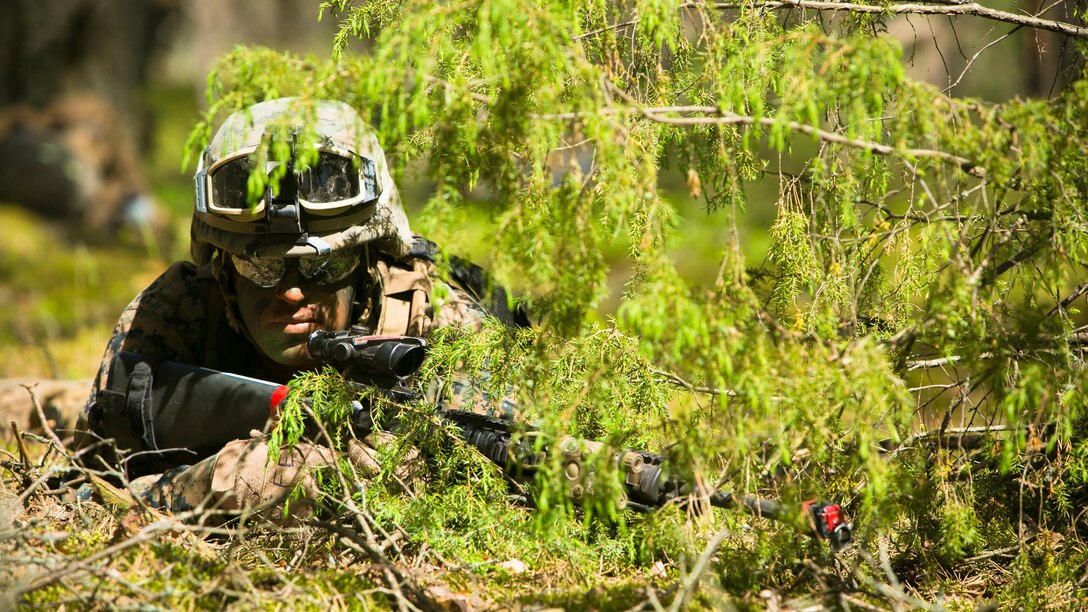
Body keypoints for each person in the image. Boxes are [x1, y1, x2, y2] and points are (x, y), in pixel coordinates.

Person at [77, 97, 525, 521]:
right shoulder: (181, 310)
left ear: (369, 263)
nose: (291, 294)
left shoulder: (439, 319)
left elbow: (482, 493)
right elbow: (86, 481)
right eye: (261, 267)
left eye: (325, 265)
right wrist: (230, 477)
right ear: (225, 274)